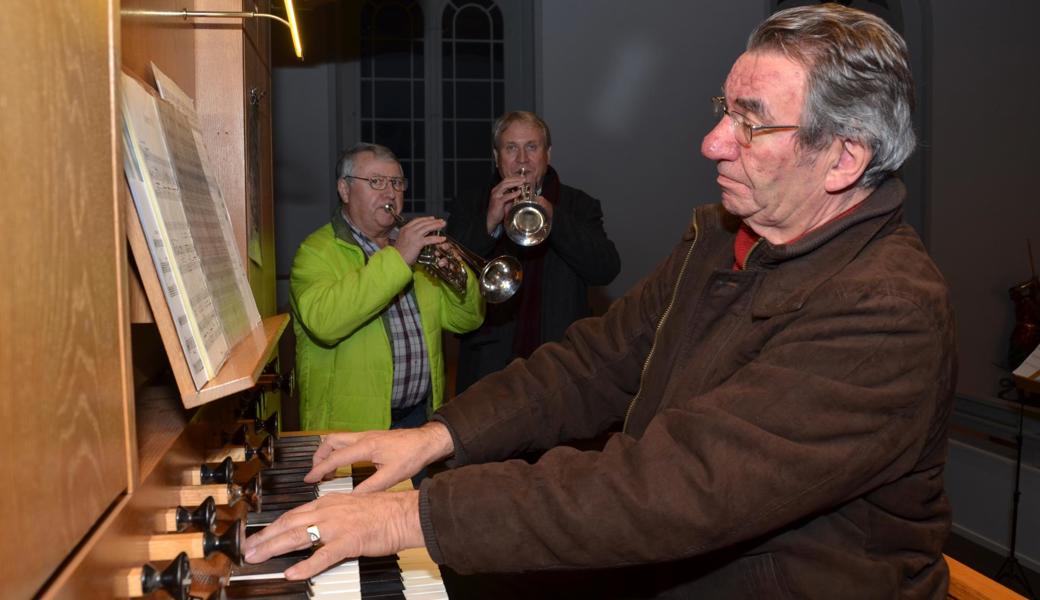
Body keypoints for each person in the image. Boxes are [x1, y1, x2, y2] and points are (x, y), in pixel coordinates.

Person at [245, 5, 957, 598]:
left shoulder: (887, 310)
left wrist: (411, 518)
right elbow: (596, 363)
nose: (712, 142)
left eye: (752, 122)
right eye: (723, 110)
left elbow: (677, 486)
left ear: (843, 159)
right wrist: (438, 435)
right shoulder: (720, 238)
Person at [290, 143, 485, 433]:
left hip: (420, 418)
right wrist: (399, 258)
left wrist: (459, 276)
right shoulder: (315, 251)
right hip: (351, 428)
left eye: (396, 183)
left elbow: (467, 321)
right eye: (376, 182)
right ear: (344, 190)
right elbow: (324, 323)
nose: (390, 193)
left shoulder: (416, 251)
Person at [447, 111, 620, 393]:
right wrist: (489, 221)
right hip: (487, 364)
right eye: (511, 148)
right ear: (496, 157)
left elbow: (606, 269)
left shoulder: (579, 206)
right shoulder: (470, 204)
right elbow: (449, 272)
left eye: (532, 147)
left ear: (547, 154)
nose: (522, 159)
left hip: (559, 362)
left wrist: (554, 217)